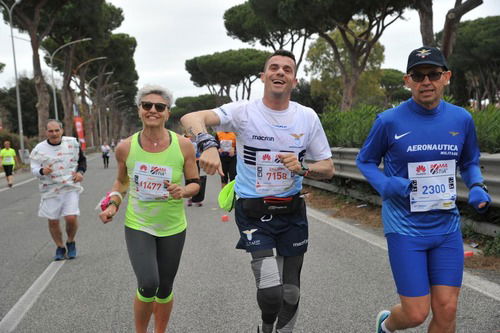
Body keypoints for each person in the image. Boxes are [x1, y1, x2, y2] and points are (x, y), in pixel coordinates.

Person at [181, 49, 335, 333]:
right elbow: (191, 117)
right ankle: (266, 327)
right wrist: (208, 144)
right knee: (271, 291)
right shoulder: (243, 112)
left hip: (292, 211)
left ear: (294, 80)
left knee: (291, 293)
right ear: (263, 77)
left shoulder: (307, 117)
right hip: (254, 211)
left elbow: (328, 167)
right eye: (274, 68)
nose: (280, 72)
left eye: (287, 69)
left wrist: (303, 169)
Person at [356, 46, 491, 333]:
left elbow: (469, 161)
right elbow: (365, 160)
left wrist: (477, 185)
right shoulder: (389, 121)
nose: (426, 81)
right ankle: (386, 324)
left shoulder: (461, 119)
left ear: (446, 77)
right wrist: (385, 184)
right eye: (418, 75)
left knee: (447, 309)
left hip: (446, 226)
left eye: (433, 74)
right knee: (416, 313)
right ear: (407, 81)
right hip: (404, 228)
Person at [99, 85, 200, 333]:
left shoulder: (184, 145)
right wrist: (113, 204)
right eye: (147, 105)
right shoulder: (125, 147)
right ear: (139, 110)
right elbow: (121, 182)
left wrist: (182, 191)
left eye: (159, 107)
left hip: (173, 226)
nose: (152, 110)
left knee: (164, 287)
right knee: (148, 283)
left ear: (167, 112)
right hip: (139, 224)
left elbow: (195, 183)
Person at [30, 120, 87, 260]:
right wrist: (42, 170)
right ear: (46, 132)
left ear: (62, 130)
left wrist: (80, 172)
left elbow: (82, 161)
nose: (54, 133)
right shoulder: (39, 149)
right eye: (51, 131)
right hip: (50, 189)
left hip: (70, 186)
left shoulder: (72, 143)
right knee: (53, 221)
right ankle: (60, 247)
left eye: (57, 130)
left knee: (71, 217)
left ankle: (71, 241)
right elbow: (34, 169)